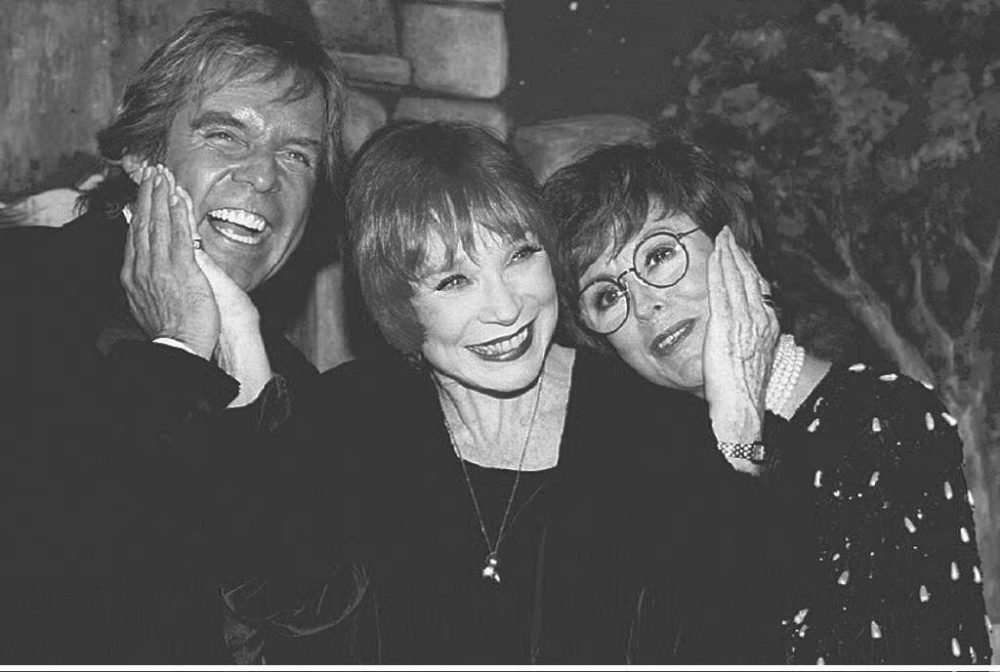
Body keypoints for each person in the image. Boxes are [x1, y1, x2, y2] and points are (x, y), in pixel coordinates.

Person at [218, 120, 808, 664]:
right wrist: (239, 332)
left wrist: (736, 433)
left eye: (521, 254)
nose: (506, 309)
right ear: (396, 306)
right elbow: (267, 603)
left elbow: (745, 629)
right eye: (454, 280)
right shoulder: (349, 423)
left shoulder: (651, 426)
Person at [542, 135, 994, 664]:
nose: (645, 306)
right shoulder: (632, 470)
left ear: (737, 248)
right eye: (606, 295)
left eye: (660, 255)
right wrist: (734, 429)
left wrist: (741, 434)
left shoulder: (890, 421)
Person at [0, 9, 345, 662]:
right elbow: (55, 579)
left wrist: (241, 354)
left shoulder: (290, 385)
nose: (265, 176)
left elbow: (309, 620)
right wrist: (181, 349)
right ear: (141, 153)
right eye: (226, 136)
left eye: (296, 153)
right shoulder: (20, 292)